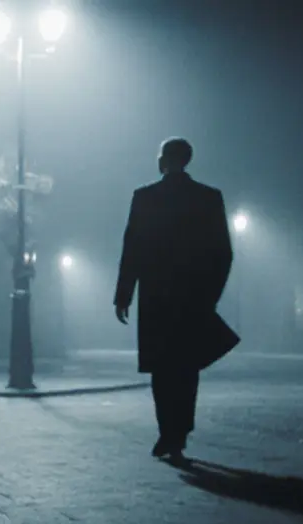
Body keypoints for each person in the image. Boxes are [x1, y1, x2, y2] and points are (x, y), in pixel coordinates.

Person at [114, 137, 236, 461]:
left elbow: (132, 248)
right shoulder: (209, 198)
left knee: (161, 369)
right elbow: (223, 253)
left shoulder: (145, 197)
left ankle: (167, 431)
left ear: (163, 160)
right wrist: (210, 295)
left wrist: (124, 294)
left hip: (156, 296)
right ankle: (179, 433)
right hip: (192, 297)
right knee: (186, 369)